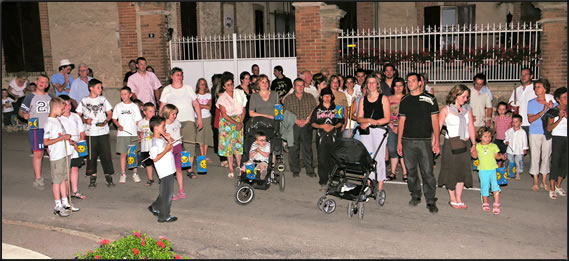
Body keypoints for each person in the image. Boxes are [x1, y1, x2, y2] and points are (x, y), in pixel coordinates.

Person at [397, 72, 440, 214]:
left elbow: (435, 121)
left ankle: (430, 199)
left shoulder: (430, 99)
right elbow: (401, 122)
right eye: (408, 81)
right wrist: (399, 142)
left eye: (413, 81)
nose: (410, 84)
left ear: (420, 82)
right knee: (411, 171)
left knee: (427, 171)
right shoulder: (405, 100)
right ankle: (415, 195)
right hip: (407, 141)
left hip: (425, 140)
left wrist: (437, 141)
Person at [438, 84, 477, 209]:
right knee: (451, 171)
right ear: (456, 95)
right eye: (464, 96)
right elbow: (437, 128)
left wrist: (474, 144)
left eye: (467, 97)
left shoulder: (468, 109)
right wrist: (434, 144)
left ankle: (459, 197)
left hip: (464, 143)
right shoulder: (446, 110)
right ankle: (452, 198)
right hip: (451, 144)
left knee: (462, 171)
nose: (466, 99)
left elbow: (470, 126)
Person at [159, 67, 203, 178]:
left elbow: (196, 104)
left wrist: (199, 118)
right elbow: (162, 107)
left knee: (189, 144)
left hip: (188, 120)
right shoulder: (167, 90)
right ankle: (172, 168)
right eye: (177, 74)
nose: (180, 76)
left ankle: (189, 168)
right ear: (172, 76)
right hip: (172, 122)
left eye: (181, 74)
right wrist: (160, 123)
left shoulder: (188, 88)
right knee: (172, 145)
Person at [43, 97, 80, 217]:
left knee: (64, 178)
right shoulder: (49, 122)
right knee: (57, 181)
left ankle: (65, 202)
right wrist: (62, 138)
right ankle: (57, 205)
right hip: (57, 155)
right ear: (55, 108)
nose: (64, 110)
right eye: (62, 108)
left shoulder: (58, 120)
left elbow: (63, 135)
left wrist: (72, 142)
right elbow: (46, 142)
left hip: (65, 153)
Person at [76, 79, 115, 188]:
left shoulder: (103, 99)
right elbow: (78, 114)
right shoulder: (84, 100)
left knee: (106, 154)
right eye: (98, 87)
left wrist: (106, 121)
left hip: (103, 132)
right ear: (91, 88)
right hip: (90, 132)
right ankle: (92, 176)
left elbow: (110, 113)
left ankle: (108, 176)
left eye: (101, 87)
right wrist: (85, 120)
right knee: (91, 156)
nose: (100, 89)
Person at [357, 74, 391, 193]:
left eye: (373, 82)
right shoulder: (363, 99)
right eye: (369, 83)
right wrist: (367, 122)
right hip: (366, 131)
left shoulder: (384, 98)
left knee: (379, 157)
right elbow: (359, 118)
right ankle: (368, 183)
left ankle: (380, 184)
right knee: (367, 157)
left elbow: (387, 118)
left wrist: (372, 122)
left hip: (379, 130)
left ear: (377, 84)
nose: (371, 85)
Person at [19, 74, 54, 190]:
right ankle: (38, 178)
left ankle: (56, 176)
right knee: (38, 153)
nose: (43, 84)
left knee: (53, 153)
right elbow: (21, 111)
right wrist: (24, 114)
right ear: (37, 81)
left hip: (50, 128)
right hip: (36, 128)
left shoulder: (50, 97)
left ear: (47, 85)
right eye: (41, 81)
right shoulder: (30, 97)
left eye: (45, 82)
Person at [310, 87, 344, 191]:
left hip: (334, 137)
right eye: (325, 96)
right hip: (322, 138)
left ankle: (335, 180)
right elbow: (312, 123)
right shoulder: (317, 109)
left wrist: (333, 127)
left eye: (329, 96)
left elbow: (341, 121)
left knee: (334, 159)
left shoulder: (337, 108)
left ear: (332, 97)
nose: (327, 98)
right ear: (321, 97)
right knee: (322, 160)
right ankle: (323, 181)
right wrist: (322, 126)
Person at [283, 78, 317, 178]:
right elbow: (286, 113)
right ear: (293, 86)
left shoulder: (310, 97)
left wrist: (307, 120)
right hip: (293, 126)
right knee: (294, 149)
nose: (300, 87)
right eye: (298, 85)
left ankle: (310, 170)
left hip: (307, 125)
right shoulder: (288, 98)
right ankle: (295, 170)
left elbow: (314, 109)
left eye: (302, 85)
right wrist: (296, 120)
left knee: (307, 148)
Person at [527, 79, 556, 192]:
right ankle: (535, 180)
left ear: (545, 89)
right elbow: (530, 119)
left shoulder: (552, 102)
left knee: (546, 156)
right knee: (535, 156)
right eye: (535, 87)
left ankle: (544, 180)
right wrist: (543, 111)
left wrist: (551, 108)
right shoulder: (531, 102)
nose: (536, 89)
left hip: (547, 132)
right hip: (534, 132)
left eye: (538, 86)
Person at [147, 115, 178, 223]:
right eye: (163, 126)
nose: (165, 128)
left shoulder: (161, 138)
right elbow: (155, 158)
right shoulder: (154, 143)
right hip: (164, 171)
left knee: (164, 192)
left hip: (169, 168)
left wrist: (169, 140)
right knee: (167, 194)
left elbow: (171, 149)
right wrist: (166, 149)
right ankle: (164, 216)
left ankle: (155, 206)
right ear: (156, 127)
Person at [216, 76, 247, 178]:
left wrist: (240, 122)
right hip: (227, 123)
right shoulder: (222, 98)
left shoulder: (239, 93)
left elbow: (243, 109)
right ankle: (230, 168)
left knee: (238, 145)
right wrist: (236, 123)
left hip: (239, 120)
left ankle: (239, 166)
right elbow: (224, 114)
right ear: (224, 87)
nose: (231, 87)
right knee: (229, 146)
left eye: (232, 84)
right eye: (228, 85)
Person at [58, 95, 87, 200]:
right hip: (65, 146)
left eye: (69, 104)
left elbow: (82, 131)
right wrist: (72, 143)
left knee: (74, 168)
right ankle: (65, 194)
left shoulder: (75, 116)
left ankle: (74, 191)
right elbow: (59, 134)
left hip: (77, 146)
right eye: (65, 104)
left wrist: (81, 144)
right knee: (65, 170)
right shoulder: (57, 118)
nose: (68, 106)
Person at [112, 87, 143, 184]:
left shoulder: (134, 107)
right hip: (122, 134)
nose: (123, 96)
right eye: (121, 94)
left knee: (132, 154)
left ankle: (135, 173)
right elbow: (114, 119)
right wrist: (118, 126)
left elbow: (138, 121)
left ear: (130, 95)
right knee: (123, 154)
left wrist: (139, 132)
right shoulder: (118, 106)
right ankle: (123, 174)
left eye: (125, 94)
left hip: (133, 133)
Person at [472, 127, 504, 215]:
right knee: (484, 185)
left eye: (489, 136)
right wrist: (473, 151)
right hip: (482, 170)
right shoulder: (478, 146)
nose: (488, 138)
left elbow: (496, 156)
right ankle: (485, 202)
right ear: (480, 137)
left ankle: (496, 203)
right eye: (485, 136)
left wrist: (500, 156)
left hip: (493, 169)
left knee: (495, 185)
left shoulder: (493, 146)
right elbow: (474, 156)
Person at [161, 104, 187, 200]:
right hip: (168, 149)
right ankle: (170, 192)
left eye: (176, 114)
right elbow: (162, 135)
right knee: (170, 171)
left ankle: (181, 190)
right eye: (173, 114)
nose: (175, 116)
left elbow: (179, 133)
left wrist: (180, 141)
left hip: (178, 148)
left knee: (178, 169)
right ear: (167, 113)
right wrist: (169, 139)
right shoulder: (163, 125)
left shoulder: (177, 123)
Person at [546, 87, 567, 199]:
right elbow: (549, 128)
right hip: (557, 138)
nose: (566, 99)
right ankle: (552, 187)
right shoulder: (553, 111)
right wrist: (559, 119)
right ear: (558, 99)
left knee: (565, 163)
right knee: (555, 162)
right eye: (564, 97)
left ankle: (559, 186)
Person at [386, 78, 407, 181]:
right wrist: (392, 126)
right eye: (396, 85)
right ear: (393, 87)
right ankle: (393, 172)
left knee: (403, 150)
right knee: (392, 149)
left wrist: (400, 127)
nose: (398, 88)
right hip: (391, 127)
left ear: (404, 87)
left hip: (404, 128)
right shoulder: (388, 99)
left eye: (400, 86)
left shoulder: (407, 98)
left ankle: (405, 173)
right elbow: (386, 113)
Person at [508, 68, 536, 137]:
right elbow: (510, 104)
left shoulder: (535, 89)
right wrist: (513, 108)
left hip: (531, 123)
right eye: (522, 75)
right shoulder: (517, 89)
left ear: (531, 76)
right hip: (518, 124)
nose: (523, 77)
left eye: (526, 74)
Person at [138, 102, 157, 186]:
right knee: (148, 163)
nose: (152, 113)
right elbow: (139, 130)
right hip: (145, 146)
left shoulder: (156, 122)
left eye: (153, 111)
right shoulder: (141, 122)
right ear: (144, 112)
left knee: (156, 162)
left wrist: (155, 135)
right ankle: (150, 179)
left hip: (155, 146)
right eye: (150, 111)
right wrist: (140, 134)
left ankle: (161, 177)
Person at [504, 114, 528, 181]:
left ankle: (518, 172)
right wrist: (506, 141)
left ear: (520, 123)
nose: (514, 123)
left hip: (519, 150)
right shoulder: (509, 131)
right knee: (510, 161)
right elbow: (506, 137)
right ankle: (510, 172)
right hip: (510, 149)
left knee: (518, 161)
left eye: (516, 121)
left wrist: (524, 148)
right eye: (513, 121)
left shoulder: (522, 132)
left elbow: (525, 140)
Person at [195, 78, 213, 161]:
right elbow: (194, 107)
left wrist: (200, 105)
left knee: (206, 136)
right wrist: (203, 106)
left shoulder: (208, 95)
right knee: (200, 136)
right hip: (198, 117)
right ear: (198, 85)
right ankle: (202, 155)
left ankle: (205, 155)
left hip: (207, 117)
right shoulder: (195, 95)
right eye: (201, 84)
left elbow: (209, 107)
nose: (202, 86)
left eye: (204, 84)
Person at [492, 102, 512, 166]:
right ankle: (499, 166)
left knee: (504, 152)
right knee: (498, 152)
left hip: (505, 139)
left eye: (503, 109)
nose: (501, 111)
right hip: (498, 138)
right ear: (497, 110)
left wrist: (510, 139)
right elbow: (495, 127)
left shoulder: (508, 119)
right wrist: (492, 134)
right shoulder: (496, 118)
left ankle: (504, 166)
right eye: (500, 109)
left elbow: (510, 129)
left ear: (506, 110)